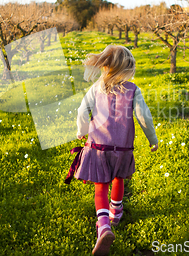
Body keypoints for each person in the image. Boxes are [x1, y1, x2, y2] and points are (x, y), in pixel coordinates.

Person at [64, 45, 158, 256]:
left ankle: (104, 225)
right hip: (123, 148)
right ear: (127, 69)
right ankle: (116, 213)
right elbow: (144, 116)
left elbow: (82, 110)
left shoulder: (96, 88)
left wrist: (82, 130)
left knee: (100, 185)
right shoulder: (133, 89)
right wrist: (152, 138)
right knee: (119, 179)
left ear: (106, 67)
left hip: (98, 146)